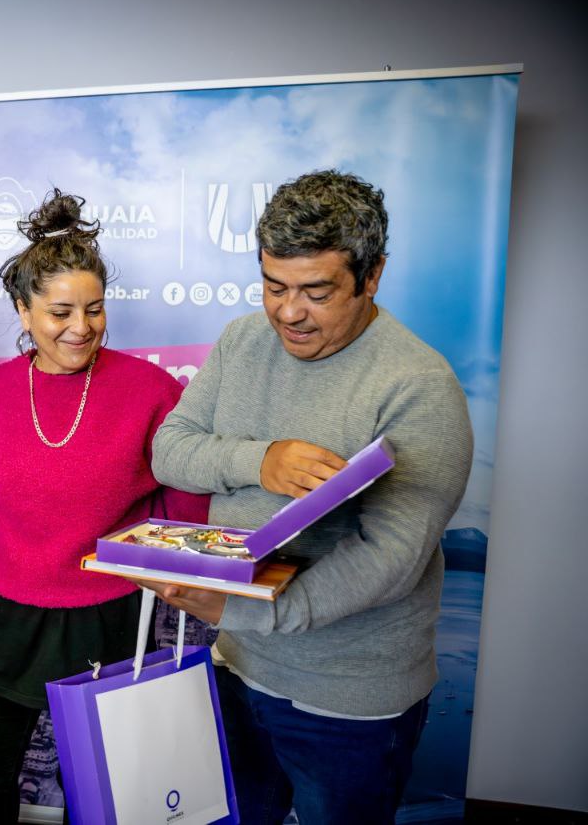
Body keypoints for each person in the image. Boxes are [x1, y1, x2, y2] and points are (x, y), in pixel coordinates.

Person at [150, 170, 473, 824]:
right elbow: (170, 448)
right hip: (237, 667)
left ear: (372, 275)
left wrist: (247, 611)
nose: (288, 312)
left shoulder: (418, 385)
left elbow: (391, 558)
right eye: (274, 286)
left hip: (349, 702)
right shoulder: (242, 339)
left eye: (316, 291)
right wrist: (259, 460)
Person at [0, 190, 208, 823]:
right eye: (59, 311)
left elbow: (182, 502)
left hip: (106, 615)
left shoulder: (152, 391)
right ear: (23, 312)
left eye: (95, 309)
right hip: (0, 618)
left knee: (108, 778)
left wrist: (175, 575)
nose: (81, 327)